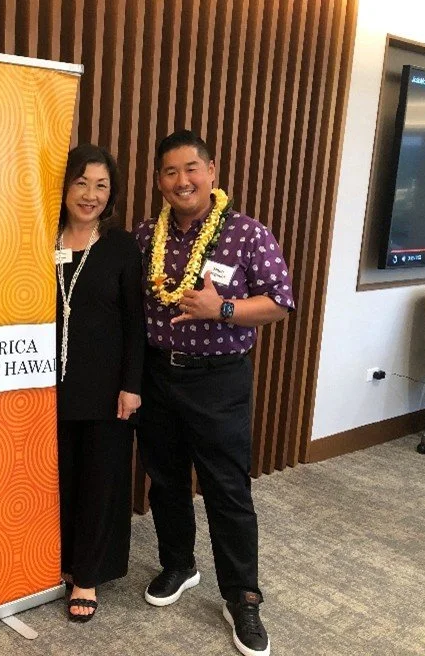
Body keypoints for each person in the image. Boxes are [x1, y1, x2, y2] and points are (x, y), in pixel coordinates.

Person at [134, 129, 294, 656]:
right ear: (159, 181)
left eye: (191, 169)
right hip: (158, 375)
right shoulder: (145, 236)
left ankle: (242, 596)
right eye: (170, 171)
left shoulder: (246, 234)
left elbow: (279, 303)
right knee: (165, 479)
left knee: (227, 488)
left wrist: (221, 308)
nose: (182, 180)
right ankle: (179, 565)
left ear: (211, 172)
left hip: (219, 379)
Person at [56, 144, 144, 622]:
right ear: (65, 186)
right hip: (48, 387)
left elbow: (136, 324)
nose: (90, 194)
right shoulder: (42, 239)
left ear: (112, 194)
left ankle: (87, 575)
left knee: (98, 483)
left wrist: (132, 385)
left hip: (106, 389)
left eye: (101, 186)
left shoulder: (120, 246)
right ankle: (62, 562)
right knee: (61, 480)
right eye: (81, 182)